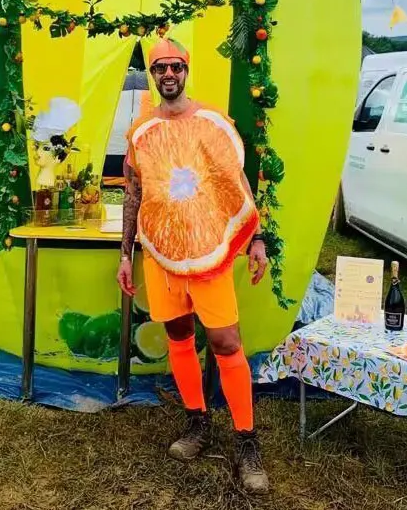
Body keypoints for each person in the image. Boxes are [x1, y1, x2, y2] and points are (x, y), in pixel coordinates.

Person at [116, 38, 270, 495]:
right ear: (152, 73)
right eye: (159, 67)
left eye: (175, 67)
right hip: (161, 255)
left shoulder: (211, 123)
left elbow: (234, 181)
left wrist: (255, 238)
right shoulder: (140, 131)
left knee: (226, 342)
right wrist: (126, 253)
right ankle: (198, 423)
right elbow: (131, 193)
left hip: (209, 254)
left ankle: (247, 442)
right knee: (179, 337)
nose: (168, 74)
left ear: (186, 70)